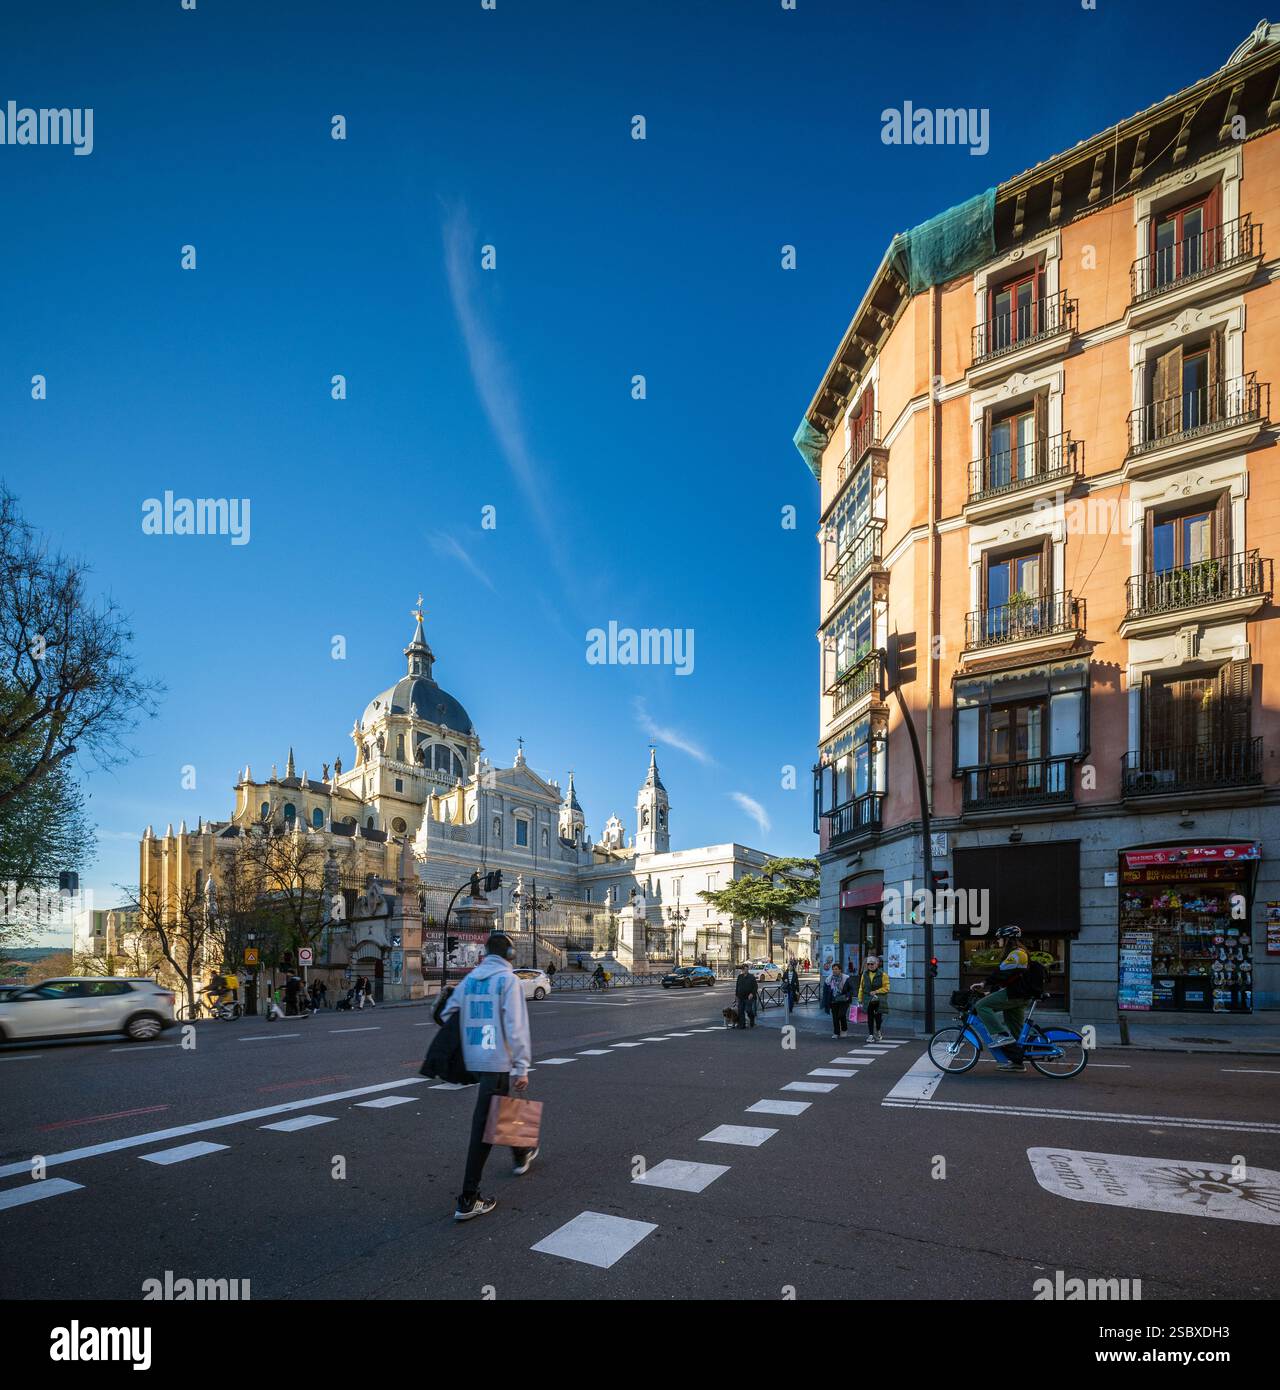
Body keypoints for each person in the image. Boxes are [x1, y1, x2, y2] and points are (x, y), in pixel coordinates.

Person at [440, 931, 535, 1222]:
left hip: (475, 1057)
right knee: (485, 1126)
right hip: (497, 1060)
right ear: (508, 955)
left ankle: (522, 1152)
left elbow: (447, 1013)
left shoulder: (470, 980)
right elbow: (516, 1025)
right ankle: (468, 1198)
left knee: (501, 1110)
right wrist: (521, 1066)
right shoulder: (507, 980)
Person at [973, 926, 1042, 1072]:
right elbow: (1010, 977)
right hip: (1018, 994)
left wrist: (984, 983)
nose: (998, 940)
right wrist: (990, 992)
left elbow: (1002, 973)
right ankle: (1017, 1062)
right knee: (1016, 1031)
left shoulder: (1017, 954)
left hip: (1015, 994)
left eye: (1000, 937)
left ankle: (1001, 1035)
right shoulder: (1017, 953)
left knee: (981, 1006)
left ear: (1008, 938)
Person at [858, 955, 890, 1042]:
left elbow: (887, 987)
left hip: (879, 999)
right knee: (870, 1017)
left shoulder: (883, 975)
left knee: (878, 1017)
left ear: (877, 964)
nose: (870, 966)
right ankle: (871, 1035)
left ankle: (878, 1030)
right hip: (868, 999)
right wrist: (860, 999)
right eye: (868, 964)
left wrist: (877, 991)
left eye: (872, 964)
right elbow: (861, 987)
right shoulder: (864, 975)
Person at [829, 961, 852, 1038]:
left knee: (841, 1015)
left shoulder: (846, 978)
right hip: (834, 1000)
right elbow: (827, 990)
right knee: (835, 1017)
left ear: (840, 970)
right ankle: (836, 1033)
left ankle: (844, 1030)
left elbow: (851, 989)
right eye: (833, 969)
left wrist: (848, 995)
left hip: (843, 1000)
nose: (834, 971)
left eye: (836, 969)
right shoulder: (830, 979)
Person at [733, 963, 758, 1028]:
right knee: (740, 1010)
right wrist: (736, 996)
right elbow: (737, 986)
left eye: (745, 969)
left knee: (748, 1010)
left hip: (748, 997)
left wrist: (752, 994)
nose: (744, 970)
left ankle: (752, 1018)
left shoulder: (751, 977)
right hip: (741, 996)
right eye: (743, 969)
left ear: (747, 969)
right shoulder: (740, 977)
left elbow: (755, 987)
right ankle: (742, 1024)